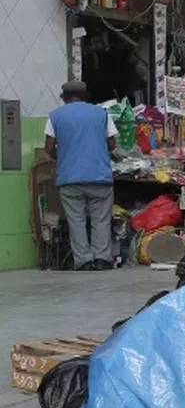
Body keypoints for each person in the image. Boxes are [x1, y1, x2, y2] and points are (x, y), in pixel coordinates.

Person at [44, 81, 117, 271]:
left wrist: (63, 157)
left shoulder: (55, 116)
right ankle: (101, 259)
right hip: (99, 176)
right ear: (85, 96)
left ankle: (83, 261)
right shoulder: (101, 113)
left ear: (64, 98)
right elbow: (112, 143)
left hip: (69, 178)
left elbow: (49, 148)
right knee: (100, 219)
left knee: (76, 220)